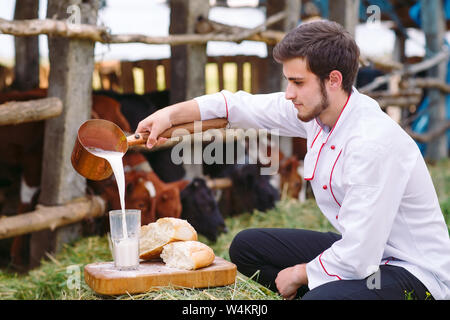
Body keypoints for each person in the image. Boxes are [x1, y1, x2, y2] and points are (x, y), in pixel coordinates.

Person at [135, 20, 450, 300]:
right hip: (368, 252)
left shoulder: (371, 143)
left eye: (297, 82)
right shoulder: (319, 112)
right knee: (246, 247)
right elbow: (237, 106)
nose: (288, 93)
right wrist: (169, 115)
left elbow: (359, 256)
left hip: (412, 272)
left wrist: (300, 274)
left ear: (334, 80)